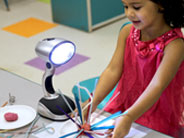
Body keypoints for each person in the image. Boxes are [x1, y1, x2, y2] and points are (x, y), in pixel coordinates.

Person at [84, 0, 184, 137]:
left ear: (161, 4)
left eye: (136, 7)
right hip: (124, 104)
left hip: (156, 112)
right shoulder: (127, 32)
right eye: (125, 6)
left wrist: (129, 116)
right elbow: (112, 70)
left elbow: (157, 86)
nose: (129, 13)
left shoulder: (175, 45)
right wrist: (93, 101)